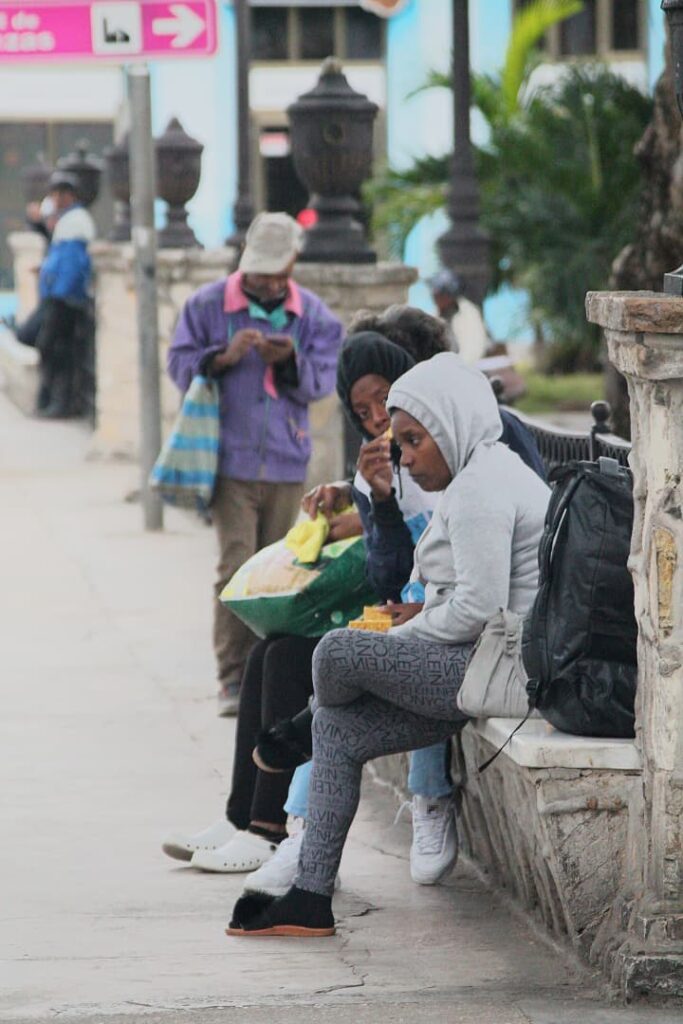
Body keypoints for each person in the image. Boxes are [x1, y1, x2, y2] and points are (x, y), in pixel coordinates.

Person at [227, 352, 550, 936]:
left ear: (452, 425)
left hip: (492, 671)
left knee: (335, 652)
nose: (404, 457)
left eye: (414, 440)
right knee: (338, 729)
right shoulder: (477, 475)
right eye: (399, 443)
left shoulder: (481, 490)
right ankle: (310, 896)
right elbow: (461, 595)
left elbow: (478, 610)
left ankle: (303, 723)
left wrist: (401, 633)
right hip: (471, 664)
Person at [167, 212, 344, 716]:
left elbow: (323, 380)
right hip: (229, 459)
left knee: (278, 571)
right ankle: (232, 674)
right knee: (235, 563)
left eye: (275, 273)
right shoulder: (206, 305)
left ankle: (268, 676)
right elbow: (179, 364)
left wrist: (288, 360)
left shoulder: (313, 315)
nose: (266, 283)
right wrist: (220, 358)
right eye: (259, 274)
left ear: (291, 266)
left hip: (287, 459)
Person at [34, 172, 94, 418]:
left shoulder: (76, 221)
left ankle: (61, 402)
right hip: (57, 296)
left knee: (56, 348)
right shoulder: (66, 220)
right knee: (53, 347)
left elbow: (72, 265)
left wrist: (60, 294)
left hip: (65, 299)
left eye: (59, 194)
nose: (55, 199)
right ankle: (53, 400)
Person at [428, 268, 489, 366]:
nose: (435, 298)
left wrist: (459, 368)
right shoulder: (435, 314)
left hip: (465, 368)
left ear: (448, 295)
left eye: (438, 295)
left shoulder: (468, 313)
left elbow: (474, 348)